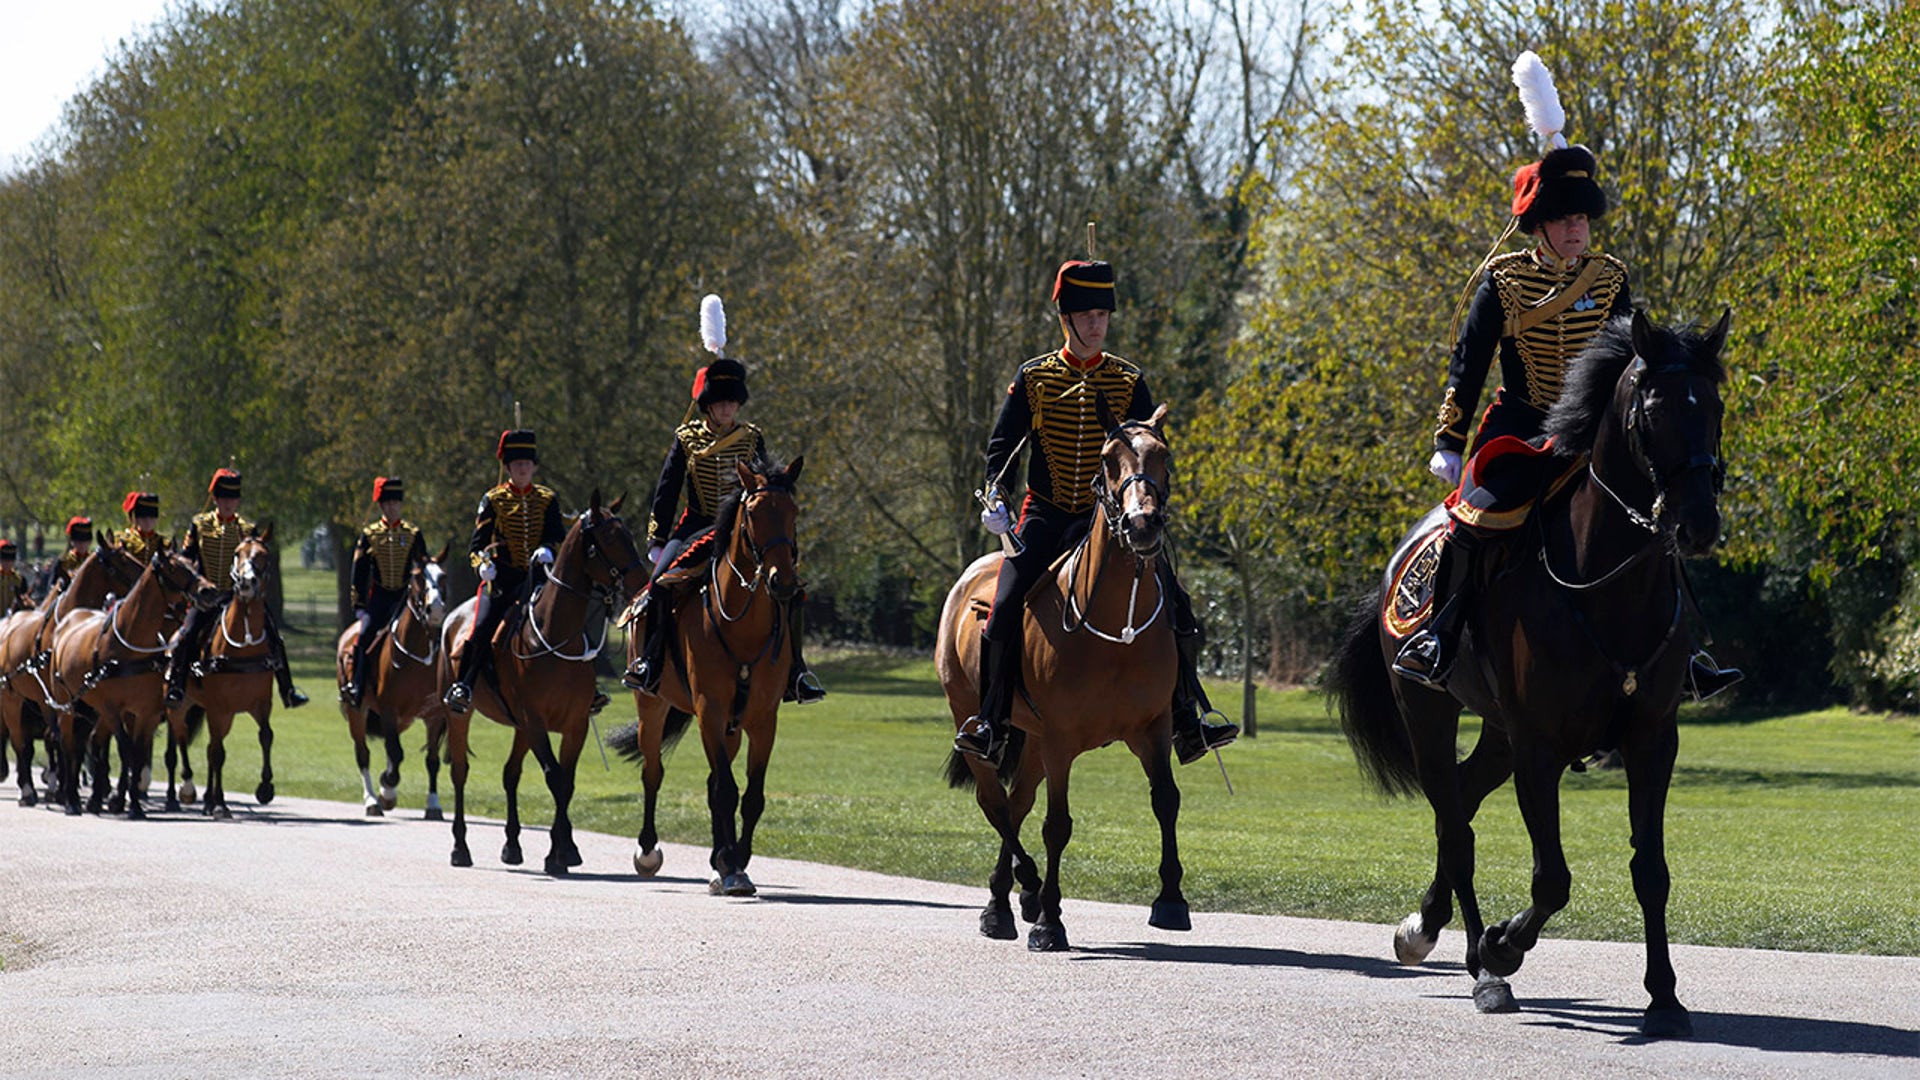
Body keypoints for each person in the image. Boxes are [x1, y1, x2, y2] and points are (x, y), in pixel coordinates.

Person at [1393, 51, 1739, 701]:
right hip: (1520, 430)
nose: (1577, 229)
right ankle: (1440, 633)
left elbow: (1636, 356)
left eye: (1582, 218)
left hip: (1591, 432)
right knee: (1475, 517)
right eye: (1565, 218)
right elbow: (1467, 365)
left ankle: (1687, 651)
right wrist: (1448, 439)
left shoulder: (1609, 279)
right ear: (1541, 224)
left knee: (1654, 511)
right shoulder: (1504, 282)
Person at [954, 256, 1237, 766]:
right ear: (1066, 318)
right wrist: (993, 501)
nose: (1096, 324)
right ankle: (991, 721)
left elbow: (1150, 442)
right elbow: (1001, 448)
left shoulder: (1128, 381)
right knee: (1001, 611)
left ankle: (1188, 720)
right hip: (1045, 513)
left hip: (1111, 520)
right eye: (1086, 315)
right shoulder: (1036, 377)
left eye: (1102, 315)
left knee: (1178, 603)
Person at [622, 295, 825, 705]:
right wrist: (658, 539)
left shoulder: (752, 437)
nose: (727, 409)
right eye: (720, 402)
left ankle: (797, 672)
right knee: (660, 586)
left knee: (791, 589)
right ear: (708, 405)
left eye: (732, 402)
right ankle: (651, 662)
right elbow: (666, 491)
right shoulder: (687, 439)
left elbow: (767, 482)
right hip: (695, 525)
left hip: (743, 530)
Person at [442, 430, 567, 714]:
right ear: (508, 468)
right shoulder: (493, 500)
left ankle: (588, 686)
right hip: (502, 581)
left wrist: (548, 548)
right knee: (482, 628)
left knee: (570, 617)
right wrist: (483, 566)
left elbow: (558, 536)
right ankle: (464, 685)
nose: (522, 468)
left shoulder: (547, 499)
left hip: (538, 579)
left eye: (527, 463)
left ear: (534, 466)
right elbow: (477, 546)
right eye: (516, 464)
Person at [164, 468, 310, 709]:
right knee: (185, 637)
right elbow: (187, 559)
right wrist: (197, 588)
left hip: (239, 599)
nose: (228, 503)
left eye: (232, 498)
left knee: (274, 636)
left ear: (238, 500)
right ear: (215, 499)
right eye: (223, 498)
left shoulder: (247, 529)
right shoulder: (200, 525)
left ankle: (288, 690)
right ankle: (177, 688)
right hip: (206, 599)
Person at [342, 476, 427, 707]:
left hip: (404, 599)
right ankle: (357, 685)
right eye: (387, 503)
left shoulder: (413, 533)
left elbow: (423, 567)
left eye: (395, 503)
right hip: (379, 600)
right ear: (381, 505)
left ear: (400, 505)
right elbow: (358, 572)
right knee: (363, 638)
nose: (391, 507)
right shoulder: (370, 535)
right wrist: (359, 606)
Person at [120, 491, 168, 561]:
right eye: (143, 518)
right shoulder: (124, 541)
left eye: (152, 518)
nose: (148, 521)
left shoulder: (164, 543)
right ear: (135, 519)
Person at [50, 516, 93, 591]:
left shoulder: (93, 560)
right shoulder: (63, 561)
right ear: (72, 542)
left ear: (89, 542)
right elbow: (52, 584)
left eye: (85, 542)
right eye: (78, 542)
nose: (82, 545)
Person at [0, 539, 30, 613]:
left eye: (10, 560)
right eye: (4, 560)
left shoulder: (19, 580)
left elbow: (24, 599)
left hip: (13, 620)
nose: (7, 563)